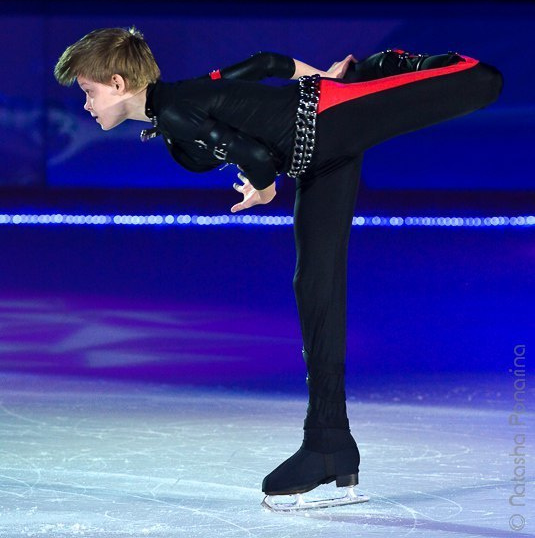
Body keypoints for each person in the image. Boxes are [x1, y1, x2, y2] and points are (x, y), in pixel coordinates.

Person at [54, 27, 503, 511]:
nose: (86, 104)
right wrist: (311, 85)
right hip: (318, 157)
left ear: (118, 83)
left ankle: (378, 67)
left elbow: (251, 154)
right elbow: (267, 63)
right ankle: (327, 442)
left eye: (88, 90)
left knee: (481, 80)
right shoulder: (183, 98)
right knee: (314, 284)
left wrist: (264, 187)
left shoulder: (176, 110)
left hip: (329, 117)